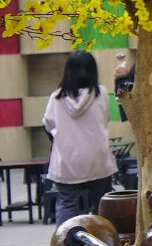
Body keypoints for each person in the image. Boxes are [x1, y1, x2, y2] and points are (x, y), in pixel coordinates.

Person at [44, 51, 118, 224]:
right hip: (97, 159)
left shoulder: (56, 98)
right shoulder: (100, 93)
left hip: (68, 160)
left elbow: (48, 124)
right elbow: (105, 119)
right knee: (101, 205)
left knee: (67, 205)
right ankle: (102, 241)